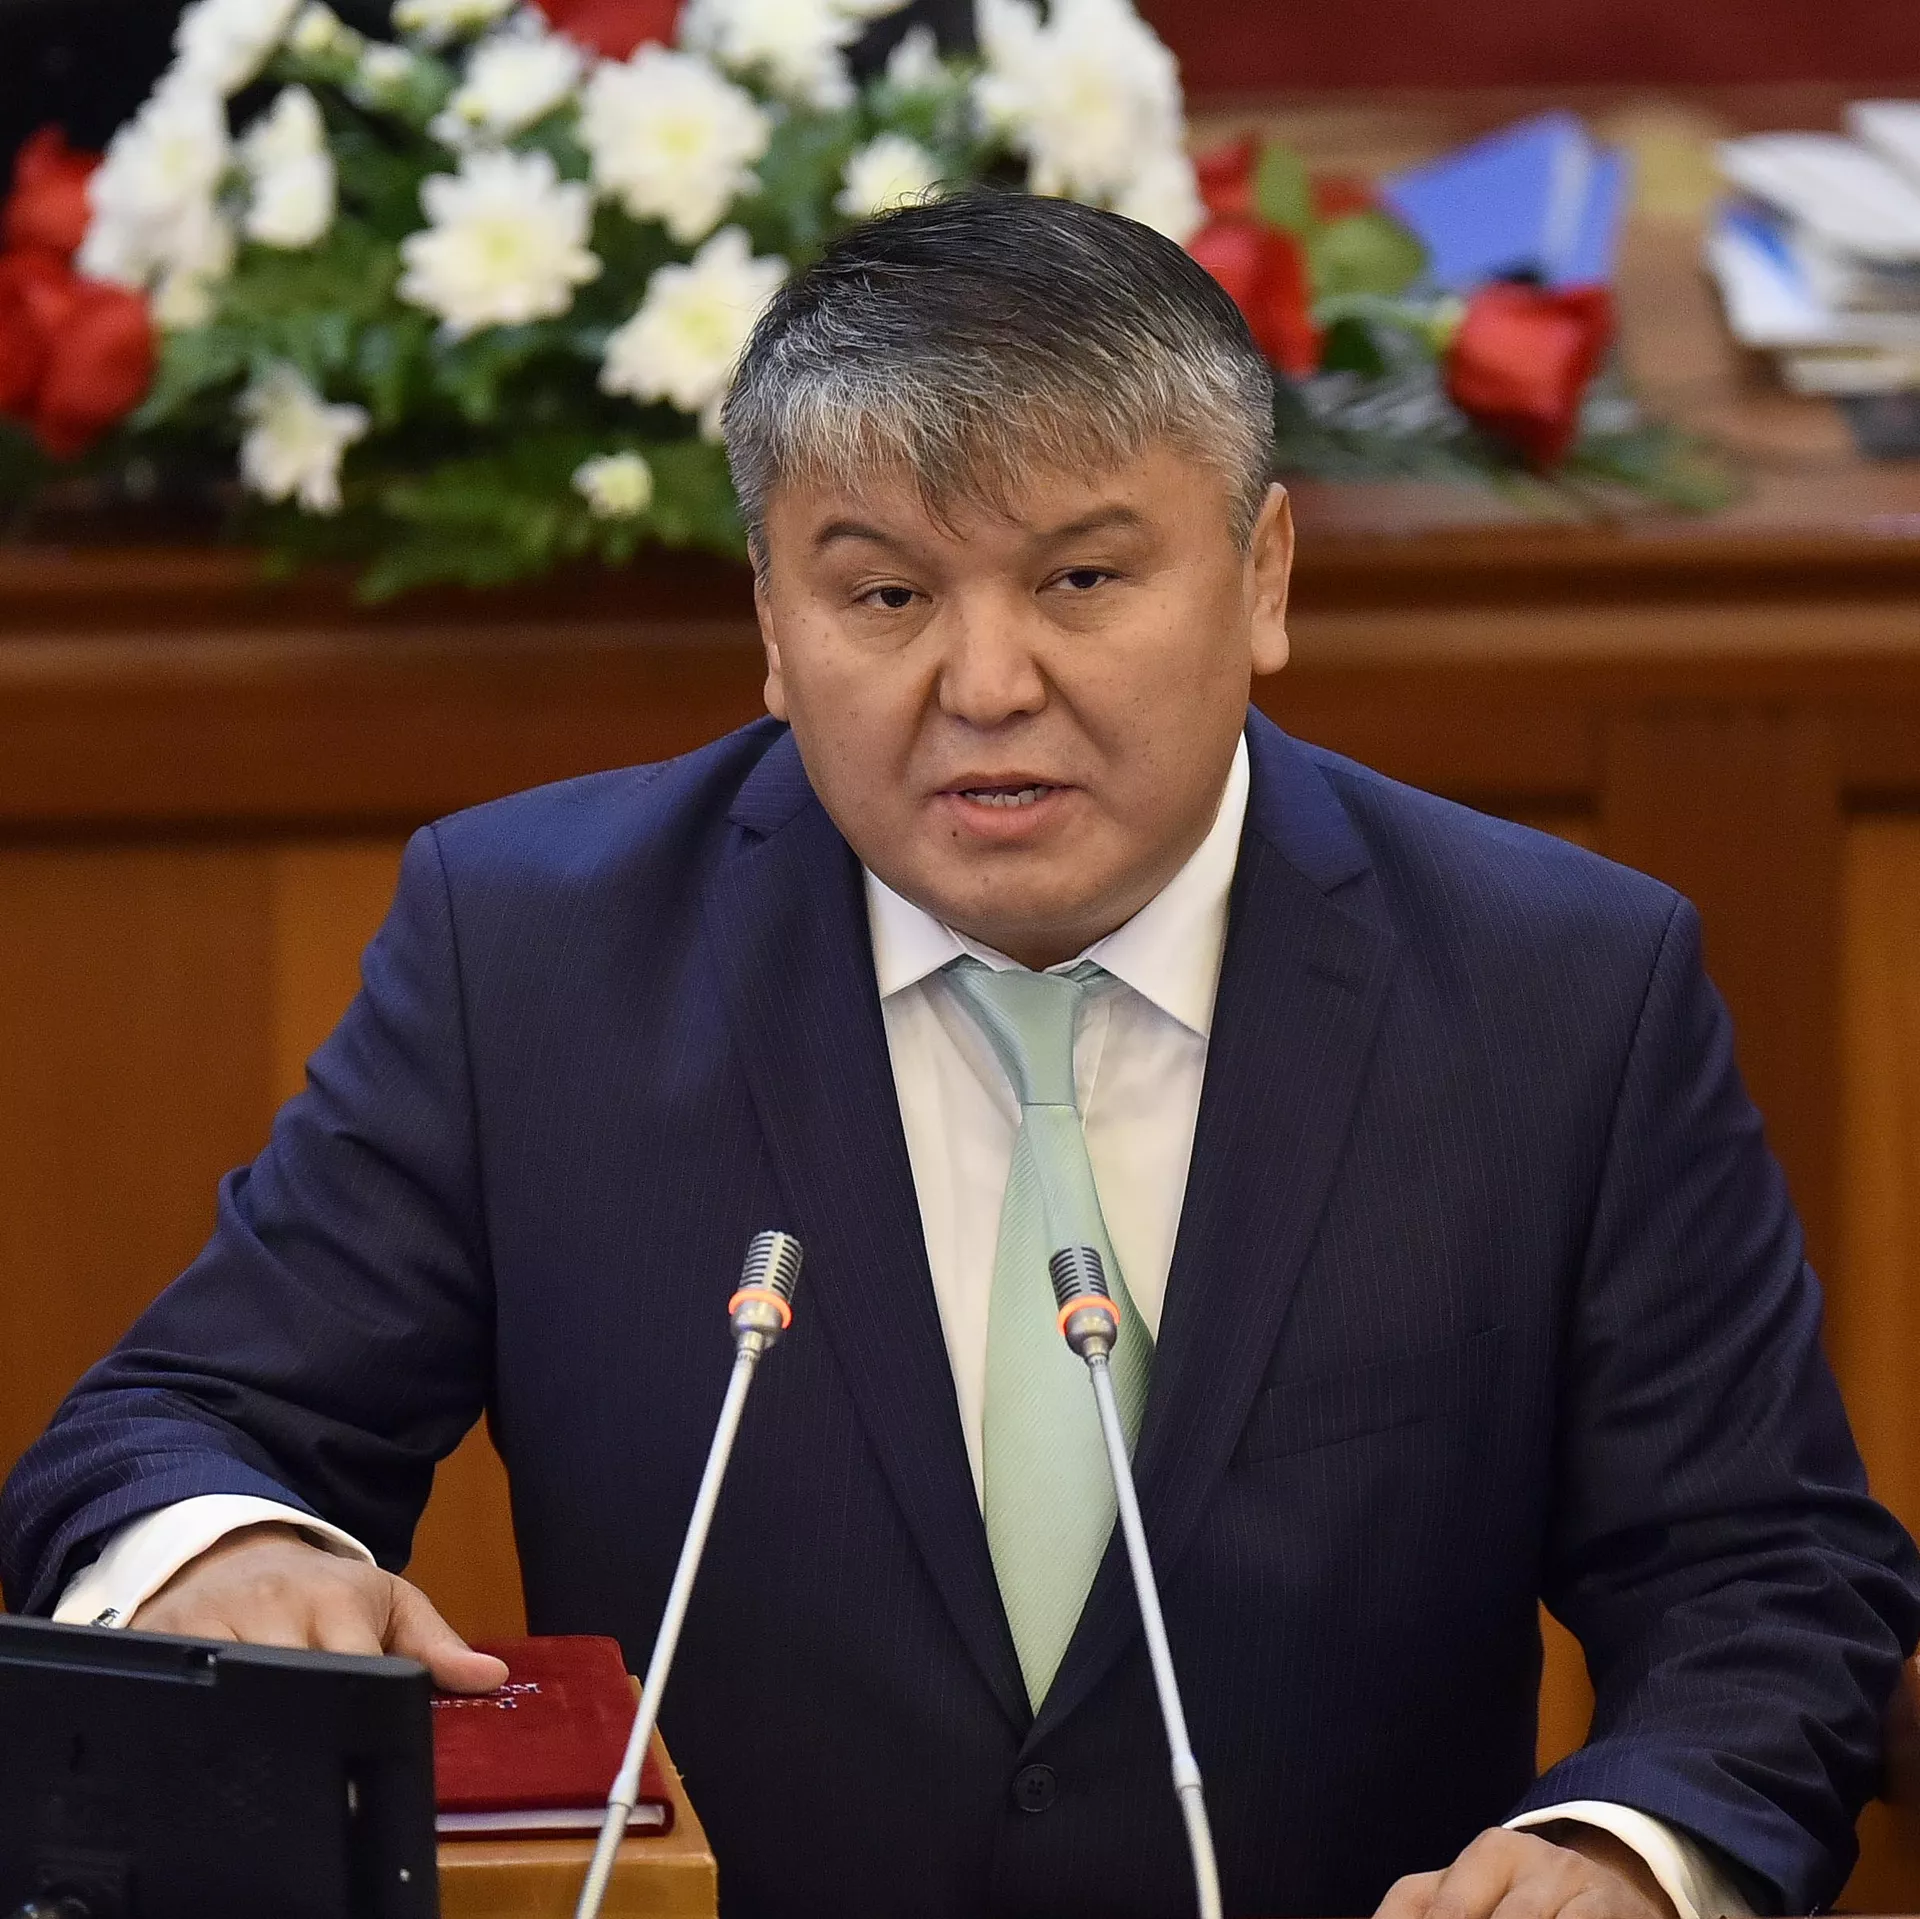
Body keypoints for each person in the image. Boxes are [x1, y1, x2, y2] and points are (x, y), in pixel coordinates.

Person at [2, 192, 1915, 1919]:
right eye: (886, 594)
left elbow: (1765, 1578)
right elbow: (179, 1425)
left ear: (1263, 577)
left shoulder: (1560, 987)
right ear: (772, 625)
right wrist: (221, 1551)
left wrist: (1631, 1849)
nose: (987, 685)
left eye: (1081, 580)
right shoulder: (533, 956)